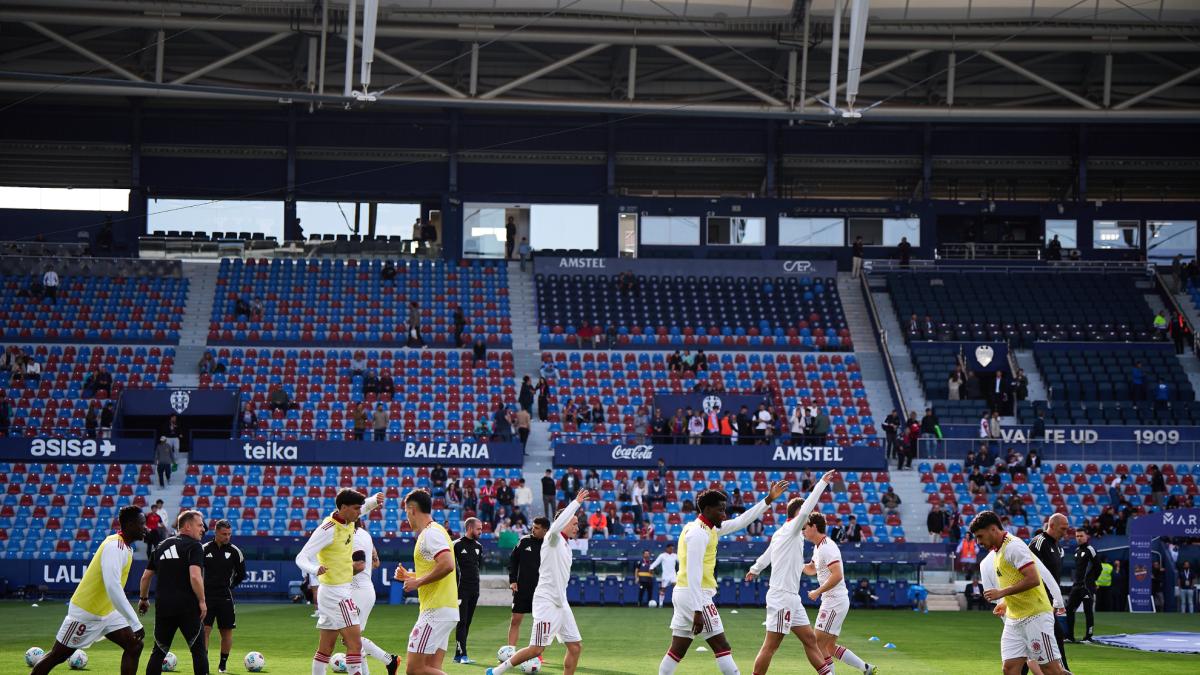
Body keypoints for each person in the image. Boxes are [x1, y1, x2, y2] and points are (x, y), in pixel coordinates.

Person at [658, 479, 788, 675]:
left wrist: (768, 499)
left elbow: (740, 521)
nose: (724, 514)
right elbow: (694, 573)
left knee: (677, 649)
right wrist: (697, 610)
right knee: (722, 646)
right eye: (720, 510)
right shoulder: (698, 534)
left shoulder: (707, 528)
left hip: (686, 593)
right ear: (707, 509)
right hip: (696, 595)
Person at [745, 471, 846, 675]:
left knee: (810, 640)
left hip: (792, 597)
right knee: (771, 645)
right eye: (806, 513)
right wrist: (821, 483)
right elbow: (807, 507)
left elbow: (767, 555)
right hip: (782, 596)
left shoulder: (783, 533)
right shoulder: (792, 529)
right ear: (798, 513)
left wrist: (754, 569)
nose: (809, 516)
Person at [31, 506, 146, 675]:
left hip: (107, 611)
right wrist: (134, 622)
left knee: (134, 645)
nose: (145, 527)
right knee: (57, 655)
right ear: (130, 525)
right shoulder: (115, 546)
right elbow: (113, 587)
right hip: (86, 612)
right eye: (142, 523)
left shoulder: (126, 547)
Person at [488, 489, 590, 675]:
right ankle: (496, 672)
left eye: (577, 524)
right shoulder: (552, 538)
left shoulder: (566, 545)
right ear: (564, 522)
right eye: (574, 523)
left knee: (575, 647)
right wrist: (576, 502)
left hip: (561, 603)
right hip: (546, 601)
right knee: (536, 649)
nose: (577, 527)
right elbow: (556, 525)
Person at [295, 489, 383, 675]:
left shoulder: (348, 520)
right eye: (356, 509)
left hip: (331, 592)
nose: (359, 513)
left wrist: (375, 500)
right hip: (337, 594)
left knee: (325, 648)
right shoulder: (327, 529)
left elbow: (364, 507)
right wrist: (314, 569)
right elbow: (301, 557)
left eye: (359, 509)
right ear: (343, 508)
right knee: (355, 644)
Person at [972, 511, 1067, 675]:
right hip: (1014, 619)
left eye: (980, 536)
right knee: (1009, 668)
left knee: (1050, 670)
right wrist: (1005, 603)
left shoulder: (1013, 546)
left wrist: (1001, 593)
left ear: (993, 529)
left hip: (1035, 616)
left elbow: (1033, 579)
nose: (978, 542)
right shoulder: (998, 551)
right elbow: (1015, 580)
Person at [799, 508, 876, 675]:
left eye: (805, 527)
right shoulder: (818, 547)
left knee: (816, 644)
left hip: (834, 601)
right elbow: (811, 568)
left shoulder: (827, 547)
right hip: (834, 601)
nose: (803, 531)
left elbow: (838, 575)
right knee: (829, 647)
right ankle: (866, 668)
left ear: (814, 527)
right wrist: (795, 563)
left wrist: (818, 591)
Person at [394, 490, 458, 675]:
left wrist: (418, 582)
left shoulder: (431, 534)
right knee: (431, 669)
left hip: (435, 611)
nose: (406, 517)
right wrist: (411, 576)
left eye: (406, 512)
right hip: (445, 609)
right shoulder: (437, 531)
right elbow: (437, 567)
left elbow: (447, 565)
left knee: (414, 669)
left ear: (412, 510)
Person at [139, 510, 209, 675]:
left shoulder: (160, 546)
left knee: (159, 651)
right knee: (198, 651)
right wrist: (202, 601)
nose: (203, 529)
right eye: (199, 525)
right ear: (187, 526)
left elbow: (145, 577)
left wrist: (143, 599)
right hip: (187, 607)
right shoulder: (194, 546)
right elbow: (195, 576)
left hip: (164, 607)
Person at [350, 513, 402, 675]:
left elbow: (363, 565)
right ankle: (389, 661)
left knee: (351, 638)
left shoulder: (354, 537)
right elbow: (376, 562)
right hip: (363, 590)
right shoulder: (366, 536)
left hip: (358, 591)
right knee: (352, 639)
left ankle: (390, 660)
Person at [202, 520, 247, 674]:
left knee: (226, 632)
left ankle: (222, 665)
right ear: (216, 533)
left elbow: (241, 574)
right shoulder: (204, 549)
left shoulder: (235, 551)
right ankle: (204, 664)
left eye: (229, 534)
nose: (227, 537)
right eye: (224, 534)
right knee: (204, 631)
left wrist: (231, 586)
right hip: (206, 597)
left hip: (225, 597)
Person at [1026, 513, 1070, 673]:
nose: (1065, 532)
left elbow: (1053, 579)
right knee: (1053, 637)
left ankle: (1063, 670)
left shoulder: (1059, 548)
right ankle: (1064, 671)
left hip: (1048, 603)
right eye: (1062, 529)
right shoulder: (1038, 542)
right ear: (1051, 525)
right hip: (1035, 602)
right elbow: (1027, 571)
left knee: (1032, 644)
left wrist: (1055, 601)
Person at [507, 516, 548, 646]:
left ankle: (537, 653)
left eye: (537, 528)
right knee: (515, 620)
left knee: (540, 623)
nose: (533, 530)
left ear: (545, 530)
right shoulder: (524, 541)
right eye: (533, 527)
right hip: (522, 588)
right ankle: (510, 652)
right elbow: (513, 561)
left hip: (542, 589)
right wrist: (513, 580)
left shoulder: (550, 544)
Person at [453, 517, 484, 664]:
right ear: (470, 528)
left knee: (468, 622)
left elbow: (478, 567)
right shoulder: (456, 545)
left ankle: (458, 655)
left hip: (474, 590)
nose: (481, 531)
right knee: (462, 622)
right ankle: (462, 655)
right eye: (478, 529)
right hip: (461, 590)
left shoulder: (479, 546)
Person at [1065, 529, 1100, 643]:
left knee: (1088, 611)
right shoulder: (1076, 551)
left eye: (1081, 536)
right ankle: (1070, 636)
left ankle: (1088, 637)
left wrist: (1091, 581)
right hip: (1076, 586)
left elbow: (1098, 567)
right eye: (1077, 536)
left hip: (1087, 587)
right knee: (1069, 609)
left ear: (1087, 537)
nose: (1079, 538)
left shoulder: (1091, 550)